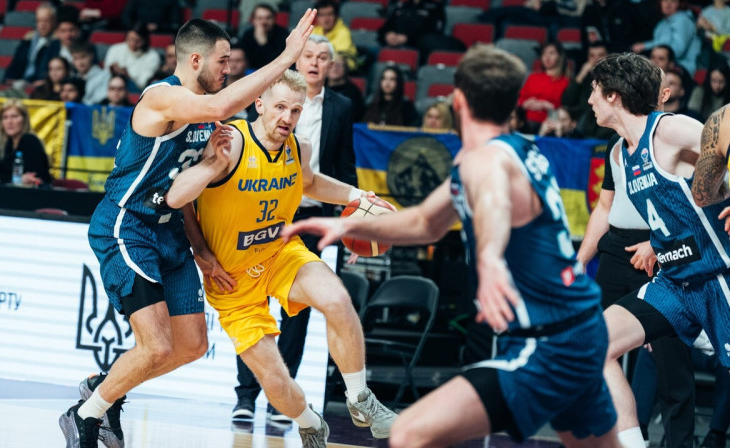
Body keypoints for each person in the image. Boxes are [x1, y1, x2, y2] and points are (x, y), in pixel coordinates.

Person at [283, 44, 620, 448]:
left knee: (409, 432)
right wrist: (348, 223)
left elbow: (493, 199)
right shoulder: (519, 150)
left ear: (458, 100)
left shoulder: (487, 161)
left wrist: (491, 257)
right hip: (579, 326)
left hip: (545, 340)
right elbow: (427, 221)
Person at [58, 11, 318, 448]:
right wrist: (286, 57)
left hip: (171, 231)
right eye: (223, 61)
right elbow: (221, 106)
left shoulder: (203, 116)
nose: (228, 69)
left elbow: (191, 193)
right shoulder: (163, 98)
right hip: (128, 225)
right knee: (156, 345)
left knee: (192, 345)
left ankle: (101, 388)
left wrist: (200, 247)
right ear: (195, 60)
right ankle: (85, 415)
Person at [167, 68, 395, 447]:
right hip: (232, 279)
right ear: (259, 104)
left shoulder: (299, 147)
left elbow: (311, 182)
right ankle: (309, 421)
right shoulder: (231, 142)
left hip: (278, 254)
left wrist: (357, 196)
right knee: (276, 380)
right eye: (280, 108)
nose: (287, 118)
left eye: (295, 110)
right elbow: (182, 198)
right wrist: (201, 250)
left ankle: (360, 399)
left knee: (337, 299)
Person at [586, 52, 730, 448]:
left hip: (719, 274)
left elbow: (725, 125)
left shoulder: (668, 129)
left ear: (614, 96)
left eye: (595, 91)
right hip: (675, 282)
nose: (589, 101)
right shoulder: (620, 153)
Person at [229, 35, 358, 426]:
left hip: (312, 218)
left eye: (323, 57)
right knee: (254, 307)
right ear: (296, 61)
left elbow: (342, 168)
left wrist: (351, 220)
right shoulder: (268, 103)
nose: (315, 62)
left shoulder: (342, 107)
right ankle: (246, 396)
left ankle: (283, 400)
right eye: (309, 56)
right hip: (264, 215)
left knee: (298, 316)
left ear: (330, 65)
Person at [0, 99, 52, 186]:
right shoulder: (2, 144)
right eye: (5, 117)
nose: (9, 122)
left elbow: (37, 178)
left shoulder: (30, 140)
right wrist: (17, 180)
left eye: (14, 116)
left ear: (24, 119)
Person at [631, 0, 700, 75]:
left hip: (682, 68)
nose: (668, 4)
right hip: (664, 66)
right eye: (665, 0)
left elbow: (677, 50)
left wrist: (645, 46)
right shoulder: (662, 23)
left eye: (673, 1)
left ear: (680, 4)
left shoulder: (683, 20)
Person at [561, 41, 613, 139]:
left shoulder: (615, 79)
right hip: (580, 119)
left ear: (608, 57)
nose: (596, 60)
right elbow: (566, 101)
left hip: (602, 123)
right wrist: (582, 74)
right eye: (592, 56)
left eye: (600, 55)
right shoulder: (583, 78)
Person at [518, 41, 570, 130]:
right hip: (526, 122)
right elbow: (520, 100)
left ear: (560, 57)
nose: (547, 57)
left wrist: (548, 106)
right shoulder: (533, 77)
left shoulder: (565, 81)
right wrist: (526, 104)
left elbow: (566, 107)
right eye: (544, 53)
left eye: (552, 53)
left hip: (551, 124)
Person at [4, 2, 56, 87]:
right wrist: (9, 78)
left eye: (46, 21)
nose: (42, 25)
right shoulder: (28, 39)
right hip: (20, 80)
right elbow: (15, 63)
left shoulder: (56, 42)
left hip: (37, 83)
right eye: (39, 21)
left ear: (54, 21)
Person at [103, 22, 161, 92]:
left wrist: (127, 76)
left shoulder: (152, 56)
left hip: (136, 91)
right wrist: (112, 70)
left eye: (138, 41)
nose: (133, 44)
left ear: (145, 40)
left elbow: (143, 84)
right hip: (111, 89)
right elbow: (104, 75)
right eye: (130, 39)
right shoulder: (115, 49)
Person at [237, 4, 289, 70]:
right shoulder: (248, 34)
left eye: (268, 18)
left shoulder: (283, 34)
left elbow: (278, 63)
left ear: (274, 19)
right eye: (260, 18)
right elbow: (243, 60)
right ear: (253, 20)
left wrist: (263, 43)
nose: (264, 22)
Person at [312, 0, 358, 72]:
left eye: (329, 14)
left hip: (341, 71)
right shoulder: (313, 30)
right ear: (317, 17)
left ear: (336, 16)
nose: (326, 19)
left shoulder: (343, 32)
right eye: (322, 15)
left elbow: (339, 57)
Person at [326, 52, 365, 122]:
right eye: (332, 65)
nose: (335, 68)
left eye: (339, 65)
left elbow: (356, 116)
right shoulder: (319, 87)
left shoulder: (353, 92)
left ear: (346, 69)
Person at [71, 41, 109, 105]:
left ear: (91, 56)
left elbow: (100, 100)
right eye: (76, 59)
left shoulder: (104, 76)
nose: (80, 63)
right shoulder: (73, 77)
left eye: (83, 57)